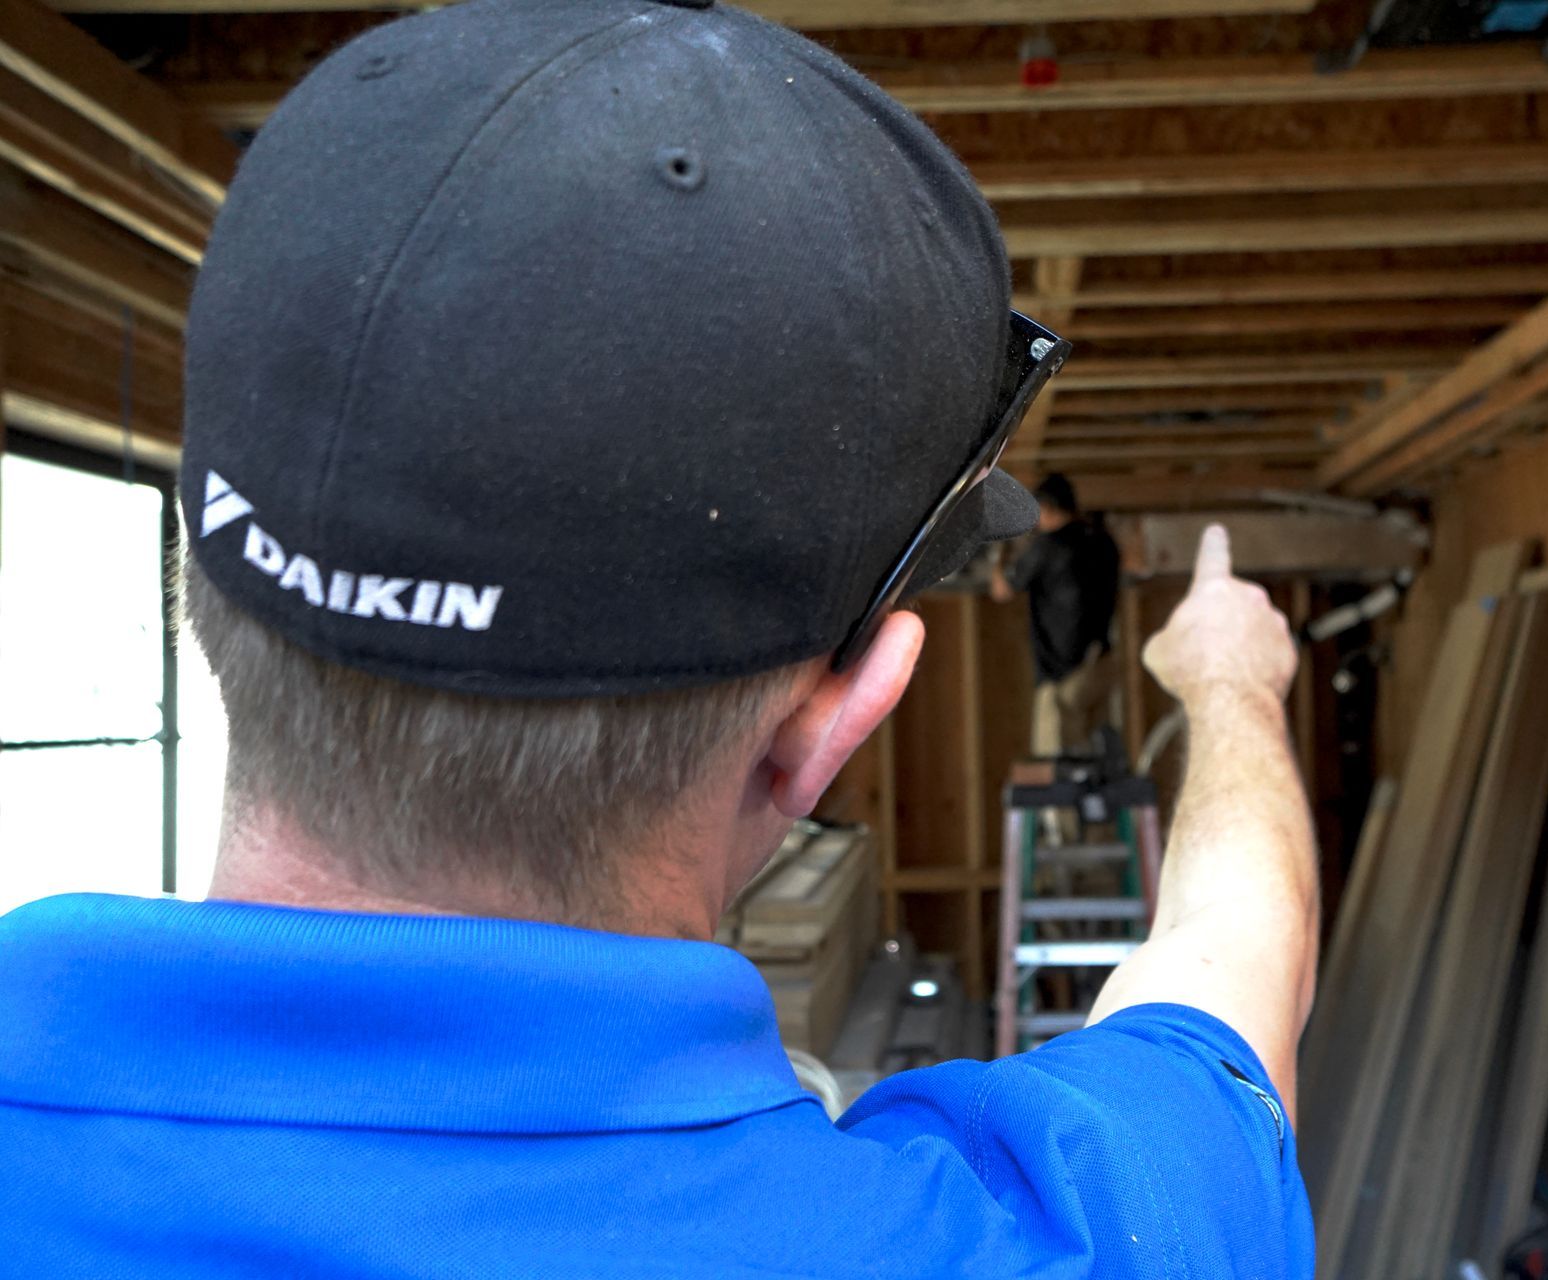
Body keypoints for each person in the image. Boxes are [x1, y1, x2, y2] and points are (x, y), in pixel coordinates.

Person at [0, 2, 1319, 1276]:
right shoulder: (1051, 1247)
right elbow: (1231, 974)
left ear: (197, 582)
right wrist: (1230, 681)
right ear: (834, 726)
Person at [990, 473, 1124, 757]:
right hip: (1101, 662)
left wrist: (1001, 555)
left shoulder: (1047, 547)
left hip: (1063, 675)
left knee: (1057, 770)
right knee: (1099, 762)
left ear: (1047, 508)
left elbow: (1002, 590)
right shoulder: (1104, 542)